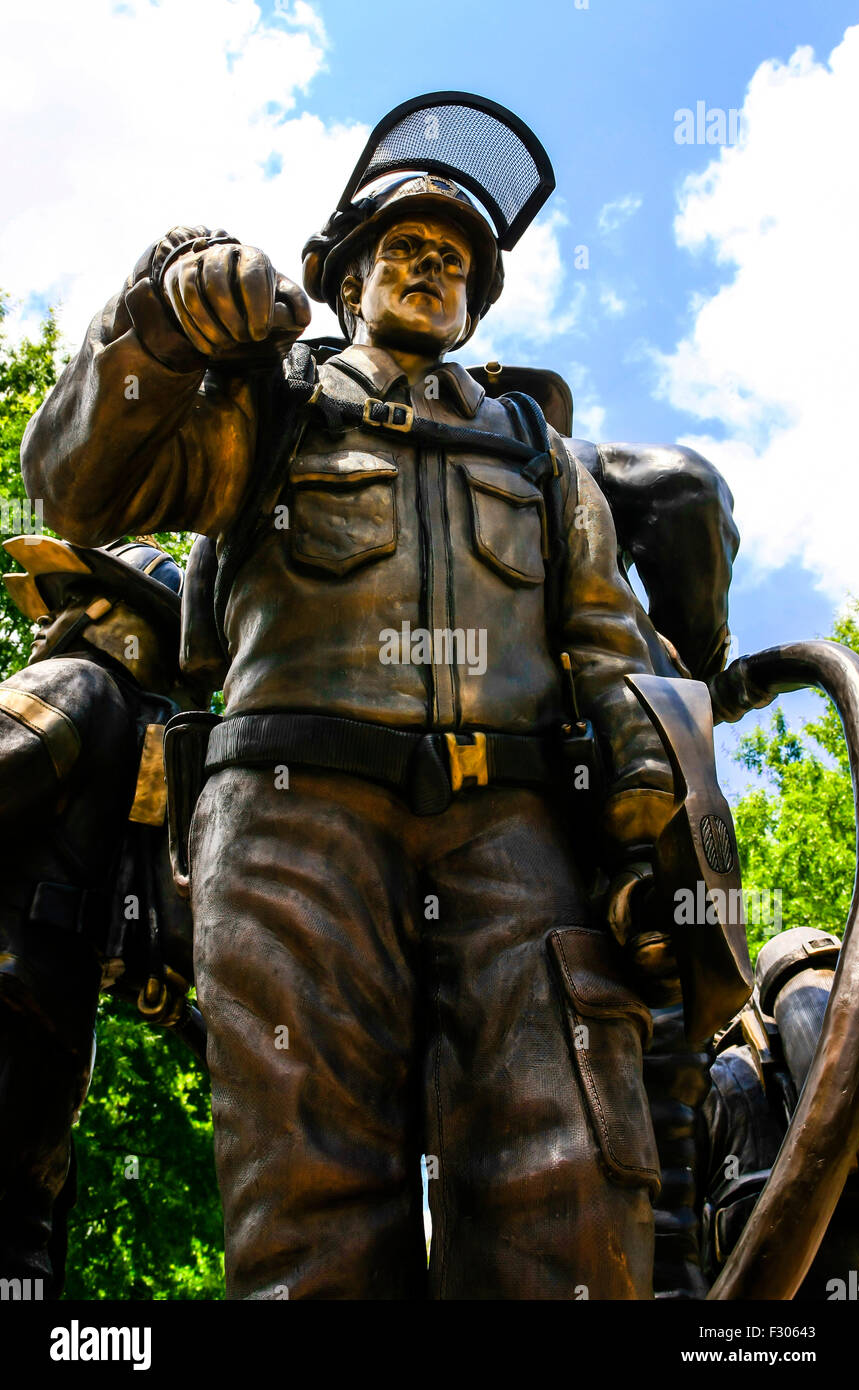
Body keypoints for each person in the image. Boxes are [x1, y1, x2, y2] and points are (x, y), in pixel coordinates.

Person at [20, 94, 732, 1300]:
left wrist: (647, 810)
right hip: (296, 830)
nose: (431, 268)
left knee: (568, 1187)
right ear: (342, 278)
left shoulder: (535, 452)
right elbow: (77, 491)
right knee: (309, 1208)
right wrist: (157, 326)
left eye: (453, 260)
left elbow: (607, 643)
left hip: (517, 839)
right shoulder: (267, 406)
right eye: (403, 247)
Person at [0, 535, 199, 1295]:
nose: (48, 626)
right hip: (51, 1071)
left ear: (105, 613)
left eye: (66, 606)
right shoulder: (150, 754)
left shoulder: (72, 686)